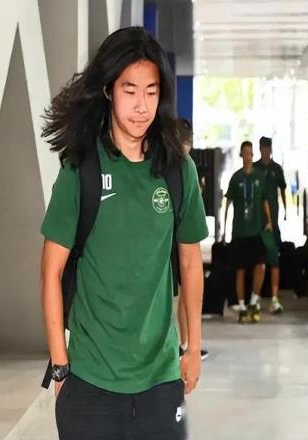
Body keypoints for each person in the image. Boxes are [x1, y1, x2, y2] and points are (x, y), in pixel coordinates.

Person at [40, 27, 208, 439]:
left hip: (160, 379)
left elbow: (190, 262)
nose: (141, 106)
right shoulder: (82, 169)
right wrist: (60, 366)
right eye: (130, 90)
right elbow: (50, 272)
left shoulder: (178, 170)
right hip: (91, 380)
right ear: (108, 91)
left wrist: (192, 347)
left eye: (151, 92)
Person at [224, 141, 273, 323]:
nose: (247, 156)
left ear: (253, 155)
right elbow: (228, 202)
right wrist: (223, 227)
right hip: (240, 232)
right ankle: (242, 306)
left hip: (256, 231)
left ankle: (254, 300)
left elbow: (264, 200)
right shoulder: (236, 178)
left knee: (260, 265)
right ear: (241, 155)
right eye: (244, 152)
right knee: (240, 270)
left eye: (250, 153)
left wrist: (269, 220)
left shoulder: (259, 177)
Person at [176, 119, 209, 361]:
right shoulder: (176, 167)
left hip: (181, 243)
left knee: (184, 292)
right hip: (173, 246)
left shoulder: (185, 169)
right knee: (181, 294)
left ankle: (186, 342)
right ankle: (184, 342)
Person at [254, 136, 286, 314]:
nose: (266, 151)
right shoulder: (255, 169)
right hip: (257, 223)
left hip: (273, 223)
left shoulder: (276, 169)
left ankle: (274, 298)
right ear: (260, 149)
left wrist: (286, 211)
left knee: (274, 260)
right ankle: (255, 297)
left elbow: (283, 189)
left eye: (268, 148)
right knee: (257, 261)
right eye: (263, 148)